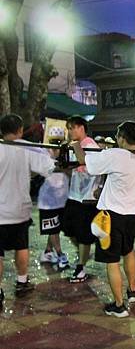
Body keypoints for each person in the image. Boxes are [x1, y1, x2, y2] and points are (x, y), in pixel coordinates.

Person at [72, 121, 135, 317]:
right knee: (129, 250)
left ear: (122, 138)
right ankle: (132, 290)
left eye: (118, 136)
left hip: (112, 215)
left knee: (112, 260)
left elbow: (85, 162)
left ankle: (118, 305)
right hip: (133, 213)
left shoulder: (115, 155)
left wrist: (75, 145)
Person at [0, 114, 55, 308]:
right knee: (21, 246)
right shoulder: (28, 148)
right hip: (19, 210)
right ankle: (22, 281)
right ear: (20, 129)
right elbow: (49, 167)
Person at [62, 115, 101, 283]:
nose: (70, 131)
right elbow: (73, 169)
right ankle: (82, 255)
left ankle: (81, 267)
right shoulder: (74, 146)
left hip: (87, 198)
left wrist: (75, 147)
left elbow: (84, 162)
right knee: (68, 228)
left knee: (84, 234)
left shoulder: (91, 145)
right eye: (69, 128)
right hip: (74, 195)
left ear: (81, 128)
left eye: (72, 128)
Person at [37, 140, 71, 271]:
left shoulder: (65, 154)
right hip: (48, 200)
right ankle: (60, 254)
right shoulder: (43, 154)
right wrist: (58, 166)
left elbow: (70, 172)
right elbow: (42, 171)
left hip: (62, 199)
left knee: (56, 227)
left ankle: (47, 251)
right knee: (53, 229)